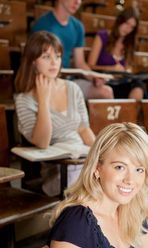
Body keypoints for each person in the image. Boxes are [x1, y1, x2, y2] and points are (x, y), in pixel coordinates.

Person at [14, 31, 96, 197]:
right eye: (46, 57)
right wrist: (43, 100)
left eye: (57, 56)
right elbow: (42, 142)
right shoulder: (24, 99)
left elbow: (84, 130)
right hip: (58, 172)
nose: (54, 63)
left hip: (83, 160)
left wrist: (100, 157)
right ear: (33, 62)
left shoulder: (72, 88)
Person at [31, 0, 113, 100]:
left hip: (69, 80)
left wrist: (94, 77)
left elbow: (80, 63)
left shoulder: (78, 26)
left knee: (106, 92)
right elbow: (37, 64)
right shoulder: (43, 24)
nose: (77, 2)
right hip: (47, 80)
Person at [88, 6, 145, 100]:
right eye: (126, 24)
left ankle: (132, 111)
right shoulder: (102, 36)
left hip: (121, 83)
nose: (128, 29)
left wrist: (126, 71)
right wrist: (111, 69)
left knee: (138, 84)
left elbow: (127, 68)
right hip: (105, 82)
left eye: (132, 27)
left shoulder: (129, 44)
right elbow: (90, 66)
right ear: (120, 20)